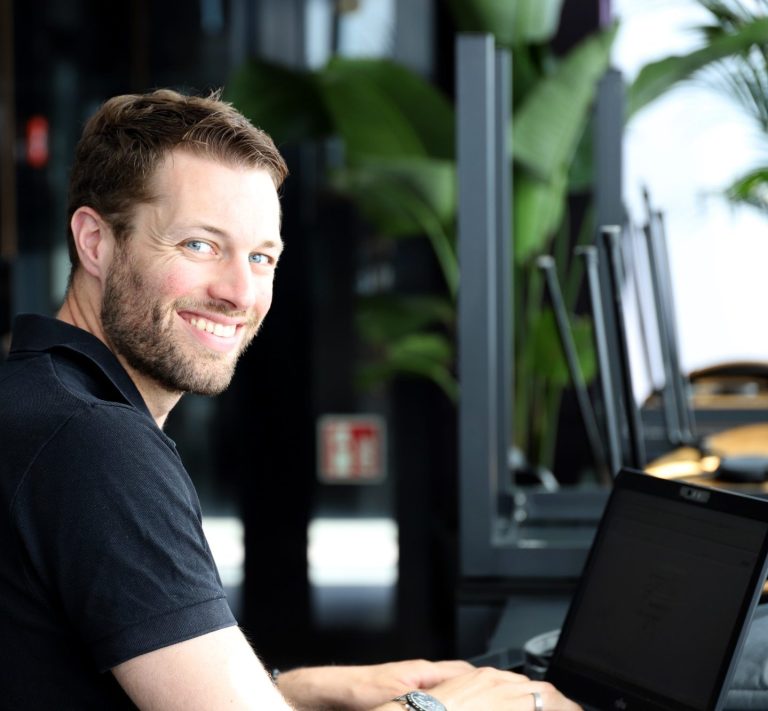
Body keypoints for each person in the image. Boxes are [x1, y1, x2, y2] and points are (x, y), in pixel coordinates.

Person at [0, 88, 581, 711]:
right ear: (95, 242)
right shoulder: (93, 444)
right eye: (200, 245)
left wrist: (307, 689)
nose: (239, 292)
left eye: (261, 256)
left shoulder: (40, 398)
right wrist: (450, 709)